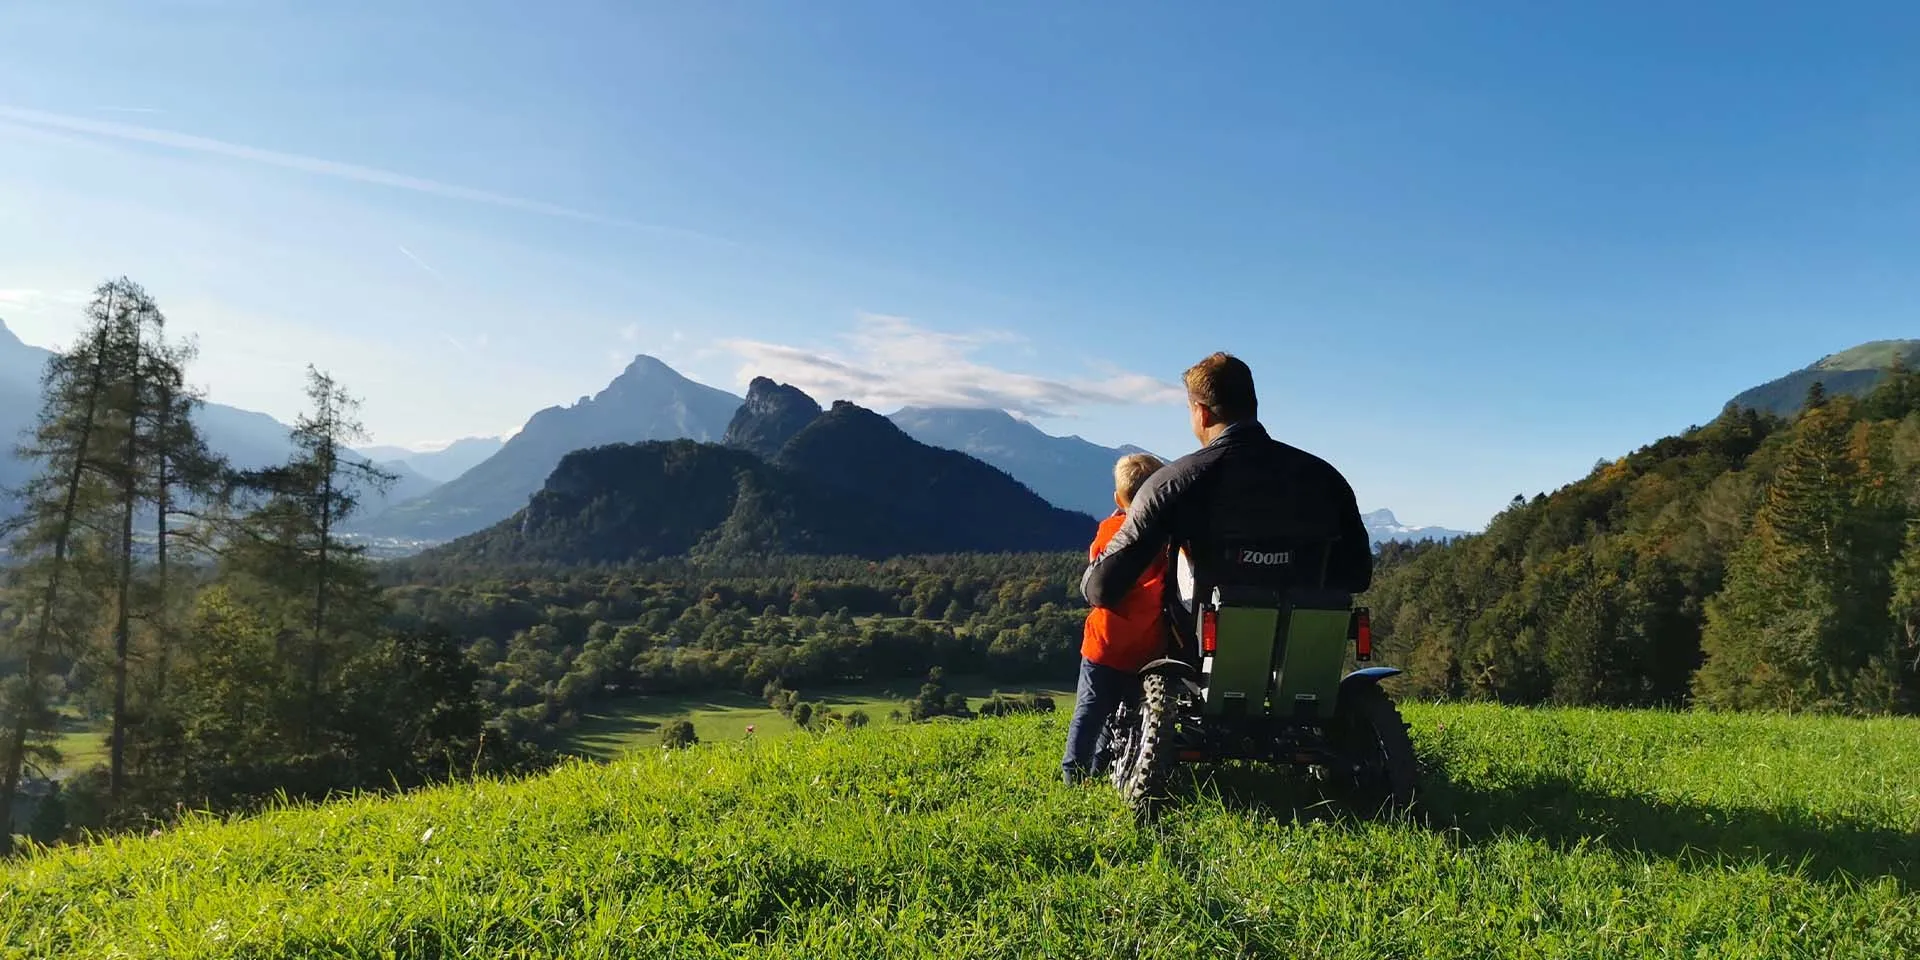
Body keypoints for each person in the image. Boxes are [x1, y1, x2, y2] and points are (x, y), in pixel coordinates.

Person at [1082, 352, 1372, 652]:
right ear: (1252, 406)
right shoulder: (1326, 479)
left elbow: (1102, 588)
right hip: (1301, 649)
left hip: (1199, 657)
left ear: (1202, 413)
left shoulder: (1171, 484)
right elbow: (1357, 576)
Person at [1060, 451, 1170, 784]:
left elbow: (1097, 567)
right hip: (1146, 647)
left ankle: (1073, 775)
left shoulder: (1110, 530)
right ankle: (1104, 767)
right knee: (1125, 716)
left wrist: (1115, 519)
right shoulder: (1166, 538)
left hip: (1103, 645)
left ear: (1118, 499)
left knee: (1089, 711)